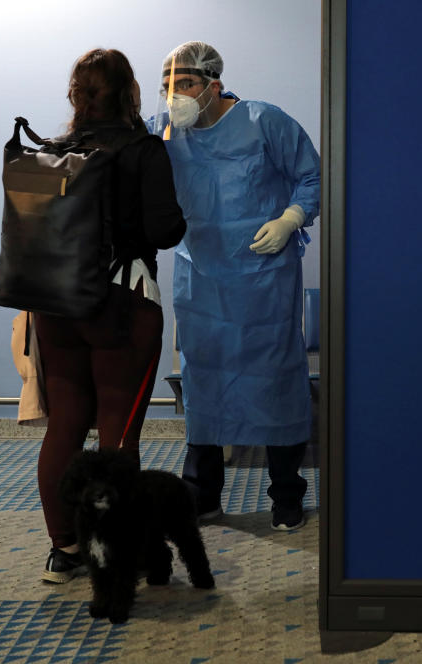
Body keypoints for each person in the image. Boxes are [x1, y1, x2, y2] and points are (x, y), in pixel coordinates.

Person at [147, 41, 320, 531]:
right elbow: (117, 146)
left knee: (276, 381)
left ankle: (287, 494)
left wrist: (291, 217)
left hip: (262, 278)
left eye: (185, 84)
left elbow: (314, 175)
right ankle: (202, 495)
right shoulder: (164, 133)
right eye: (167, 87)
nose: (174, 95)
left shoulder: (264, 121)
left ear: (214, 85)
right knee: (204, 381)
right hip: (201, 278)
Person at [35, 48, 187, 583]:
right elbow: (166, 229)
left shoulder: (51, 150)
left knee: (65, 427)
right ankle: (115, 552)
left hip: (54, 306)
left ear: (77, 95)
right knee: (118, 433)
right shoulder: (144, 149)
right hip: (123, 303)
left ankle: (65, 549)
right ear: (130, 93)